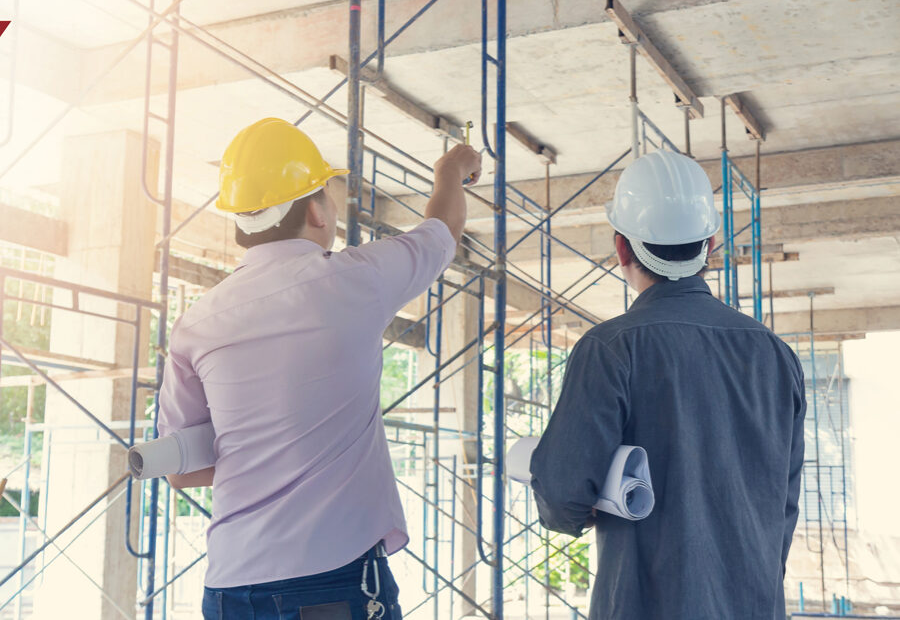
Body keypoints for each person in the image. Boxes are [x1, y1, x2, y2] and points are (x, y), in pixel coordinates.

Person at [157, 117, 481, 620]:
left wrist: (261, 447)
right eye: (328, 195)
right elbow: (441, 231)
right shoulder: (356, 280)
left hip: (228, 588)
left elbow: (181, 471)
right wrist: (451, 169)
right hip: (329, 582)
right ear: (315, 210)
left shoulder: (196, 323)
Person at [530, 150, 806, 620]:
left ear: (621, 249)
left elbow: (561, 495)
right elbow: (784, 501)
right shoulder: (777, 356)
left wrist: (580, 510)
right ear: (711, 244)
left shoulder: (612, 348)